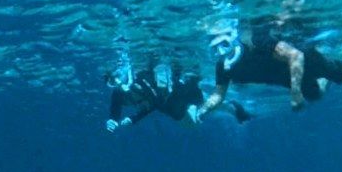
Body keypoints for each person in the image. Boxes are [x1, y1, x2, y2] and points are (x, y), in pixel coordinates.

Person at [189, 25, 342, 122]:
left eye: (223, 41)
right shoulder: (223, 66)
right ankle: (320, 82)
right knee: (317, 94)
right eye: (215, 44)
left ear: (232, 36)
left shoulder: (257, 42)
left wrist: (296, 93)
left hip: (306, 60)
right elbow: (218, 95)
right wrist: (203, 110)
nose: (221, 48)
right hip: (284, 77)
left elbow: (295, 56)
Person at [105, 58, 251, 132]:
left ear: (125, 71)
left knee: (195, 118)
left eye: (118, 76)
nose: (117, 81)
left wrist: (133, 119)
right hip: (167, 104)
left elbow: (153, 102)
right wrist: (113, 120)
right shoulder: (118, 93)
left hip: (177, 93)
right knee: (192, 123)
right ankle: (230, 107)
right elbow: (115, 109)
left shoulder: (141, 77)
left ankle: (230, 107)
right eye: (112, 81)